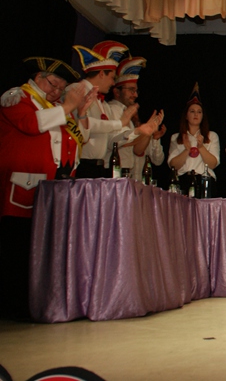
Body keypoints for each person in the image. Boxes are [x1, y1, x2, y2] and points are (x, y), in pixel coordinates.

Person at [0, 57, 95, 319]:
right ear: (38, 78)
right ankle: (14, 307)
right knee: (18, 248)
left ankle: (36, 303)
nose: (56, 91)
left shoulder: (55, 107)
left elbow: (81, 138)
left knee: (40, 251)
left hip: (50, 190)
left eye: (61, 88)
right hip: (22, 188)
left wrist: (80, 112)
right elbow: (31, 125)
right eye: (53, 84)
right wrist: (67, 105)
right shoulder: (17, 97)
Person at [70, 41, 140, 178]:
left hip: (98, 167)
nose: (113, 83)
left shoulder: (103, 104)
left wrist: (136, 132)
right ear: (101, 74)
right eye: (112, 78)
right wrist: (119, 123)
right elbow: (84, 124)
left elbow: (110, 141)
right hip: (80, 165)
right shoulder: (76, 91)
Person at [107, 56, 166, 181]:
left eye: (136, 91)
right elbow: (116, 142)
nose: (135, 95)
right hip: (112, 172)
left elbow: (137, 150)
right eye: (131, 90)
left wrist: (149, 131)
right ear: (117, 92)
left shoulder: (128, 113)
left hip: (126, 173)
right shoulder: (112, 109)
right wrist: (141, 131)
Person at [168, 84, 220, 196]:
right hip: (183, 180)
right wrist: (187, 149)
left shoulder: (211, 136)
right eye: (192, 111)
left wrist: (201, 147)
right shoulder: (176, 137)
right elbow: (173, 166)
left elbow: (213, 164)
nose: (196, 114)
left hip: (205, 181)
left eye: (199, 112)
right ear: (186, 116)